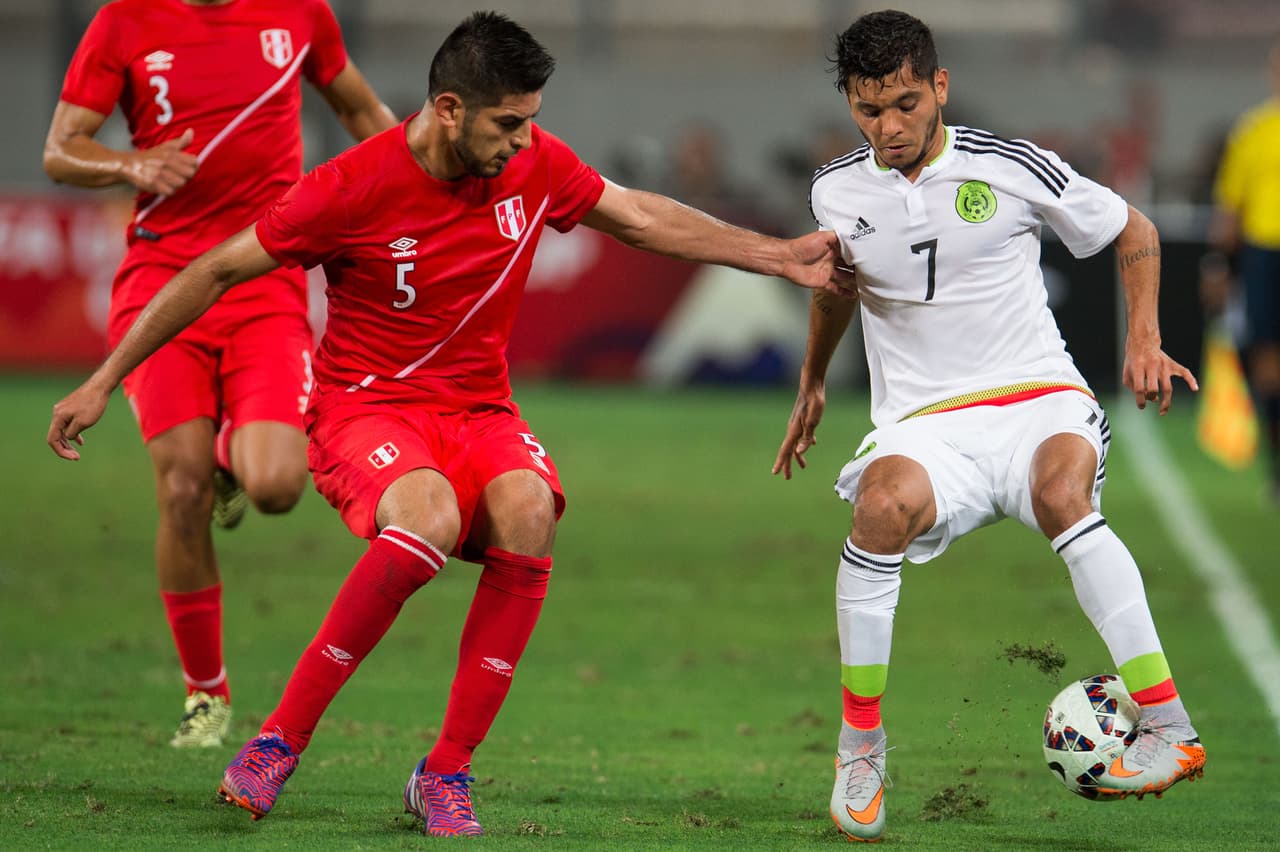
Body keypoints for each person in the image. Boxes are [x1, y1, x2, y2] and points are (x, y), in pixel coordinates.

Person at [46, 11, 851, 837]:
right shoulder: (350, 187)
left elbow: (640, 216)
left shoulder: (533, 165)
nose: (523, 140)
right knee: (426, 515)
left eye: (531, 120)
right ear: (449, 109)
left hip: (478, 410)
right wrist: (105, 380)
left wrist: (776, 254)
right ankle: (277, 741)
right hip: (364, 409)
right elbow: (215, 267)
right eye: (509, 122)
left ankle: (446, 773)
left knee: (531, 511)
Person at [770, 10, 1205, 843]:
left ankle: (1170, 729)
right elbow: (837, 286)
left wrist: (1144, 337)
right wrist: (814, 378)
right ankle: (861, 747)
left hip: (1038, 395)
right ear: (849, 106)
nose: (888, 126)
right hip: (924, 424)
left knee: (1060, 494)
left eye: (904, 103)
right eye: (868, 110)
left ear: (939, 87)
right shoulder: (836, 188)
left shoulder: (1006, 165)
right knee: (878, 511)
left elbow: (1133, 230)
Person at [43, 0, 397, 749]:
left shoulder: (302, 14)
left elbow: (362, 108)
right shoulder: (124, 22)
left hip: (263, 281)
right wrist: (129, 163)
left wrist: (418, 190)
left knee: (275, 487)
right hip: (162, 286)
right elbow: (61, 150)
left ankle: (232, 456)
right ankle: (206, 693)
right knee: (181, 489)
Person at [1208, 41, 1280, 502]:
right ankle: (1277, 465)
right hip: (1265, 255)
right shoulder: (1254, 131)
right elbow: (1229, 213)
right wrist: (1217, 266)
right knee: (1268, 363)